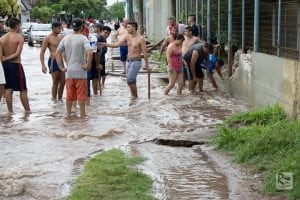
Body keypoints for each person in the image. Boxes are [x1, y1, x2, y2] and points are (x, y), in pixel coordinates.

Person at [101, 21, 149, 99]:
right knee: (132, 81)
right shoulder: (127, 37)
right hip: (128, 61)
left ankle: (135, 97)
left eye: (128, 27)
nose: (127, 29)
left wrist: (147, 65)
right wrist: (104, 44)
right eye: (127, 27)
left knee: (129, 80)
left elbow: (145, 53)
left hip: (136, 61)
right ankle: (134, 98)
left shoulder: (140, 39)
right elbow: (117, 44)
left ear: (134, 28)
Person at [56, 18, 93, 118]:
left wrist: (61, 67)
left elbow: (58, 53)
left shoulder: (66, 39)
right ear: (82, 27)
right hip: (81, 72)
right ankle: (82, 116)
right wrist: (87, 65)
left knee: (69, 95)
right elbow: (90, 53)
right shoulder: (83, 38)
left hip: (70, 72)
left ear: (72, 27)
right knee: (81, 95)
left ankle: (68, 115)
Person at [0, 18, 30, 113]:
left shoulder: (2, 38)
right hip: (16, 65)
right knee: (23, 89)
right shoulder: (19, 38)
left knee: (9, 89)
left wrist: (4, 59)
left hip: (4, 66)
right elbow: (17, 54)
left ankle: (10, 112)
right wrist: (7, 58)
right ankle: (28, 111)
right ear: (17, 26)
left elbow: (1, 57)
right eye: (20, 26)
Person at [40, 21, 65, 101]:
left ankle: (60, 100)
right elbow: (42, 52)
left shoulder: (61, 38)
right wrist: (43, 65)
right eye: (58, 28)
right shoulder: (48, 38)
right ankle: (54, 100)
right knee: (55, 82)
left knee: (63, 82)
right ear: (53, 28)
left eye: (61, 28)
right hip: (53, 61)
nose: (60, 30)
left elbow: (65, 51)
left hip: (61, 61)